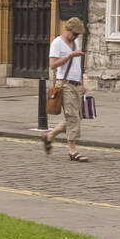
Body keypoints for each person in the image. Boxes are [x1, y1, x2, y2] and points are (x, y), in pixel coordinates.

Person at [43, 17, 88, 162]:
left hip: (75, 83)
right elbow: (53, 65)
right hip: (65, 84)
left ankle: (50, 135)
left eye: (78, 35)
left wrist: (81, 82)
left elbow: (77, 65)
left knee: (77, 116)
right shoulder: (57, 43)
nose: (76, 37)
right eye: (74, 34)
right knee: (72, 116)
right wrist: (69, 55)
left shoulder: (75, 42)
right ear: (67, 30)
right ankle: (72, 151)